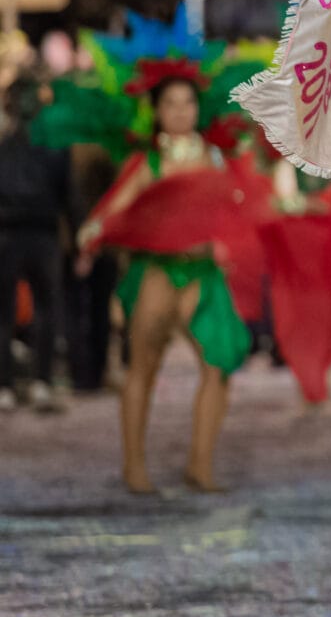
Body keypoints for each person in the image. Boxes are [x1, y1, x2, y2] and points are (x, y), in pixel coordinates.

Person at [77, 74, 253, 493]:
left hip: (202, 273)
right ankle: (134, 467)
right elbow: (117, 210)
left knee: (218, 365)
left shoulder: (214, 158)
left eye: (187, 103)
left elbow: (233, 207)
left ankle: (200, 465)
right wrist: (93, 232)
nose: (180, 111)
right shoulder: (147, 162)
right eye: (171, 103)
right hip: (157, 271)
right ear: (157, 111)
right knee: (144, 367)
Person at [0, 73, 72, 413]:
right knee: (35, 310)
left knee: (25, 311)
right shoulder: (47, 146)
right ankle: (27, 382)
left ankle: (20, 384)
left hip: (22, 233)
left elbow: (68, 193)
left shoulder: (14, 144)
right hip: (27, 233)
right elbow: (68, 194)